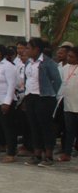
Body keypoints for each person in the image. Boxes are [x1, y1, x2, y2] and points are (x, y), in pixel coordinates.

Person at [23, 38, 62, 167]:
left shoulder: (48, 63)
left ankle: (49, 155)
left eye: (28, 48)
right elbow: (27, 79)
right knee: (34, 126)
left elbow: (57, 81)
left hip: (44, 97)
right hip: (31, 96)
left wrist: (51, 94)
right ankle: (37, 153)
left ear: (36, 49)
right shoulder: (28, 63)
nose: (26, 50)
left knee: (45, 126)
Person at [58, 46, 78, 162]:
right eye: (68, 56)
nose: (69, 58)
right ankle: (67, 153)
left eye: (72, 57)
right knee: (69, 130)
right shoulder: (64, 68)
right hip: (68, 105)